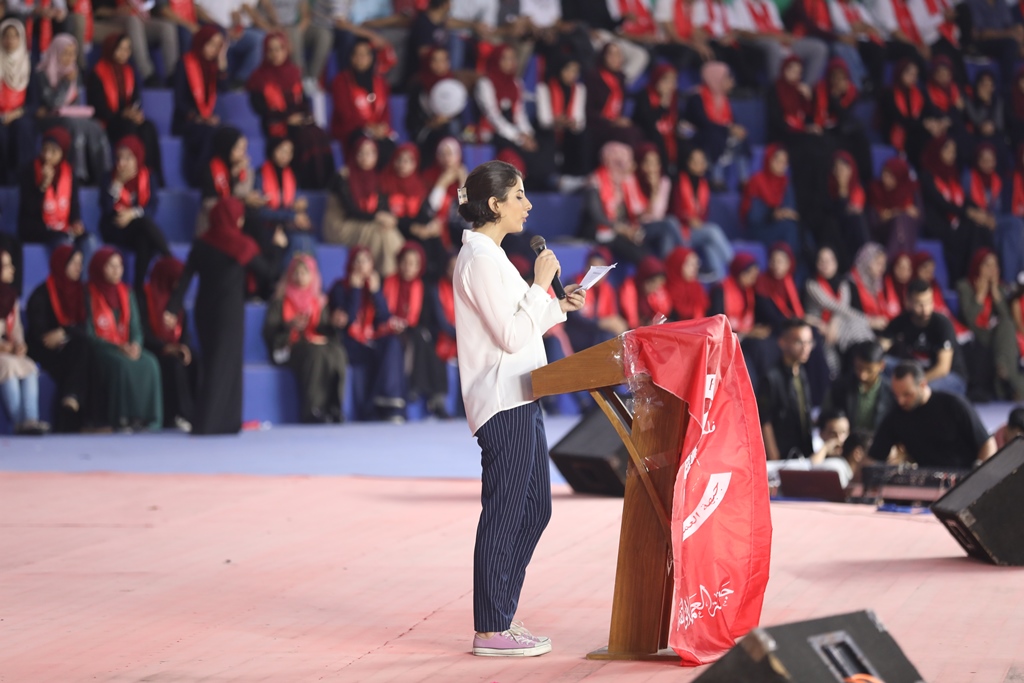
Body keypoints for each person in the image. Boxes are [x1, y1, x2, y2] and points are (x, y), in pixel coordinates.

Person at [452, 159, 585, 656]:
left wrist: (556, 306)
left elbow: (520, 324)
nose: (528, 205)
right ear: (494, 204)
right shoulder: (479, 260)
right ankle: (490, 628)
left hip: (523, 393)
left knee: (535, 508)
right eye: (519, 196)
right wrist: (540, 284)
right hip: (501, 399)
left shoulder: (493, 256)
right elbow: (509, 335)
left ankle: (501, 615)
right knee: (506, 512)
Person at [166, 197, 288, 435]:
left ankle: (216, 421)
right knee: (226, 365)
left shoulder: (202, 243)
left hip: (204, 311)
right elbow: (268, 272)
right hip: (229, 313)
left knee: (212, 363)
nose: (241, 221)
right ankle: (212, 422)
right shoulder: (241, 245)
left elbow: (185, 278)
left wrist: (173, 307)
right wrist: (278, 248)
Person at [84, 247, 163, 431]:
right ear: (99, 267)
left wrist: (135, 344)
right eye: (111, 266)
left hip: (126, 346)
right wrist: (118, 347)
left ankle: (149, 419)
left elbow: (136, 327)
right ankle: (123, 417)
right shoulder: (88, 293)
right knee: (121, 365)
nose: (117, 270)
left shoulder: (127, 293)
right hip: (102, 348)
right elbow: (89, 332)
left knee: (150, 362)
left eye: (119, 266)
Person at [264, 254, 347, 423]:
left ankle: (333, 407)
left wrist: (333, 323)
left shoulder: (319, 301)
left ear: (312, 276)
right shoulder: (280, 301)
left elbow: (323, 329)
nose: (300, 276)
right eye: (296, 272)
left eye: (305, 272)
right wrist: (290, 325)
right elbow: (270, 331)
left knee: (337, 353)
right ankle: (312, 409)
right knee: (314, 354)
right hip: (289, 346)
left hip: (315, 343)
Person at [245, 31, 334, 189]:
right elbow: (260, 109)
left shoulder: (294, 73)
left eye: (279, 49)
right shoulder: (258, 78)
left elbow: (303, 102)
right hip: (275, 122)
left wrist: (305, 116)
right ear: (265, 52)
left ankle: (325, 184)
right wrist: (286, 119)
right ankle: (307, 185)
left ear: (286, 50)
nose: (276, 54)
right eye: (271, 50)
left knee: (318, 133)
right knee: (305, 137)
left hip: (297, 121)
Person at [327, 245, 405, 422]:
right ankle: (375, 407)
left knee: (393, 344)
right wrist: (355, 290)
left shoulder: (374, 286)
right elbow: (347, 321)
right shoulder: (340, 287)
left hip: (370, 339)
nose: (362, 265)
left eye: (366, 261)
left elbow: (383, 317)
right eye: (358, 261)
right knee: (373, 355)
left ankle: (391, 403)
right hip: (348, 341)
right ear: (351, 264)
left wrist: (376, 292)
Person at [869, 360, 996, 468]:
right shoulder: (896, 416)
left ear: (922, 384)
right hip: (928, 482)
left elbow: (987, 444)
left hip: (964, 477)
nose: (900, 401)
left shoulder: (953, 404)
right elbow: (873, 458)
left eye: (907, 394)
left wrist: (978, 475)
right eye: (896, 395)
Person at [581, 142, 684, 266]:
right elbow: (597, 216)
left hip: (620, 229)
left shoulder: (620, 184)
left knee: (647, 246)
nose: (626, 167)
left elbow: (627, 214)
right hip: (599, 231)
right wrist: (622, 229)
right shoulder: (595, 181)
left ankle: (668, 267)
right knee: (640, 254)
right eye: (620, 164)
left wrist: (629, 228)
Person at [25, 245, 92, 432]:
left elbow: (85, 326)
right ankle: (74, 412)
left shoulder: (81, 292)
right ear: (61, 264)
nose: (79, 267)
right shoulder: (41, 293)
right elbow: (41, 334)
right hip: (43, 348)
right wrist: (62, 335)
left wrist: (64, 331)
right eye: (74, 263)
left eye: (81, 263)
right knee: (79, 357)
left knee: (83, 350)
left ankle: (71, 405)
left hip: (70, 346)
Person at [31, 34, 111, 184]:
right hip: (47, 118)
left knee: (96, 125)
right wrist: (66, 82)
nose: (69, 58)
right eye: (65, 53)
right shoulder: (42, 73)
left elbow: (77, 103)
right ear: (56, 52)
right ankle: (78, 175)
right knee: (72, 124)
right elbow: (53, 103)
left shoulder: (74, 72)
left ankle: (103, 176)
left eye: (73, 53)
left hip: (68, 115)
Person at [87, 34, 165, 189]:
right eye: (120, 49)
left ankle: (151, 176)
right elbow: (98, 107)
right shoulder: (98, 72)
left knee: (148, 127)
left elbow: (135, 99)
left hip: (126, 117)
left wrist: (135, 113)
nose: (124, 53)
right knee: (128, 126)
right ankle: (129, 174)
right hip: (108, 120)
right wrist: (122, 114)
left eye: (127, 49)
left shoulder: (129, 71)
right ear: (112, 49)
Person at [382, 242, 449, 418]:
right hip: (388, 329)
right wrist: (393, 323)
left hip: (414, 331)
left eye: (413, 263)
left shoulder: (425, 288)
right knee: (414, 339)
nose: (408, 267)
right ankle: (421, 392)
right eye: (405, 262)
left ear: (419, 266)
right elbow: (381, 313)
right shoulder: (387, 282)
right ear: (399, 262)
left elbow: (427, 319)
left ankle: (428, 394)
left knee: (426, 340)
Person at [474, 44, 554, 191]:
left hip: (514, 130)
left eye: (512, 58)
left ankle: (541, 184)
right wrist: (518, 137)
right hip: (494, 132)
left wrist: (528, 134)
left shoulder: (516, 83)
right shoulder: (485, 84)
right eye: (505, 59)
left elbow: (519, 114)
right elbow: (493, 116)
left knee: (544, 144)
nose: (510, 62)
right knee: (520, 152)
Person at [323, 136, 405, 277]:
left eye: (370, 153)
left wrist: (388, 218)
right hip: (341, 226)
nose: (365, 157)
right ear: (354, 154)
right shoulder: (343, 176)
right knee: (377, 232)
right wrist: (378, 217)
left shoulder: (376, 178)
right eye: (361, 153)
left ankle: (396, 272)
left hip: (365, 223)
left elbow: (382, 206)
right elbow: (351, 211)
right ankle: (389, 275)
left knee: (387, 231)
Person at [100, 136, 172, 292]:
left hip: (137, 230)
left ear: (137, 158)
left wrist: (132, 213)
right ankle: (169, 258)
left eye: (127, 158)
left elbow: (151, 207)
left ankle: (138, 289)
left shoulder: (148, 176)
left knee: (144, 240)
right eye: (119, 158)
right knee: (144, 224)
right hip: (115, 228)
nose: (121, 163)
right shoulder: (108, 178)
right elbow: (106, 209)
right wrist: (117, 185)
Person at [17, 127, 97, 265]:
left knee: (89, 241)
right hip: (37, 226)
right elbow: (28, 209)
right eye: (45, 149)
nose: (47, 156)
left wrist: (76, 222)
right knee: (63, 242)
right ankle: (64, 277)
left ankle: (84, 278)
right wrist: (42, 186)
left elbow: (74, 205)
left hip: (63, 227)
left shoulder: (69, 173)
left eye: (53, 151)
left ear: (63, 152)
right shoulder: (29, 171)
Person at [919, 135, 991, 284]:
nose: (952, 155)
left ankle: (985, 276)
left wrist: (981, 213)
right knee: (972, 227)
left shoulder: (953, 175)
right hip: (939, 225)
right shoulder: (927, 176)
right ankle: (965, 278)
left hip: (955, 223)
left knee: (982, 227)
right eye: (948, 151)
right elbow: (942, 204)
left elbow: (963, 200)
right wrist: (969, 213)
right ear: (938, 151)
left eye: (954, 151)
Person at [956, 248, 1024, 401]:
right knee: (1006, 332)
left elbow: (1008, 319)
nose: (991, 269)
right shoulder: (964, 287)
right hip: (975, 333)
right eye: (987, 265)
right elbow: (969, 320)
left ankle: (1003, 369)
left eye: (994, 265)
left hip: (996, 335)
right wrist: (980, 295)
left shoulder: (1000, 288)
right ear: (978, 266)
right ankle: (1008, 379)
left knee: (1006, 326)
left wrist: (995, 293)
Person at [882, 278, 968, 395]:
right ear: (908, 302)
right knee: (882, 363)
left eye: (929, 302)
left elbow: (943, 368)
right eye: (919, 304)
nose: (925, 309)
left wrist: (914, 383)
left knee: (922, 391)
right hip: (915, 372)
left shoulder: (942, 324)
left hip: (949, 377)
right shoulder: (900, 322)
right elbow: (880, 347)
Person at [140, 256, 196, 431]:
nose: (179, 284)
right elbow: (143, 332)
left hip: (174, 348)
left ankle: (199, 411)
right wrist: (165, 347)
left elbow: (184, 331)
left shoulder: (176, 300)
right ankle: (180, 414)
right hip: (153, 348)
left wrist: (184, 346)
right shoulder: (145, 296)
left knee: (196, 361)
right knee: (173, 364)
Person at [0, 250, 48, 435]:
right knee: (8, 365)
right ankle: (19, 421)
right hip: (3, 355)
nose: (12, 269)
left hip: (8, 352)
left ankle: (30, 419)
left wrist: (20, 344)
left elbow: (17, 329)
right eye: (6, 265)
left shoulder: (10, 297)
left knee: (29, 366)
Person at [172, 25, 226, 188]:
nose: (214, 50)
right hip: (186, 120)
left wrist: (222, 64)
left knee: (224, 134)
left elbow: (224, 88)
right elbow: (179, 100)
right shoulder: (185, 63)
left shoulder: (212, 66)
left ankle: (219, 179)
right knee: (209, 133)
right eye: (211, 44)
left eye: (218, 46)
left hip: (206, 120)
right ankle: (200, 178)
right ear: (202, 41)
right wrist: (197, 116)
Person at [686, 61, 751, 193]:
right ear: (715, 78)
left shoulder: (722, 98)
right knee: (716, 137)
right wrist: (728, 129)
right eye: (727, 78)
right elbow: (703, 122)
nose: (732, 82)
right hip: (699, 134)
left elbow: (730, 121)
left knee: (739, 137)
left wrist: (736, 129)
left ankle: (744, 180)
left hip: (719, 132)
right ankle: (716, 179)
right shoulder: (696, 96)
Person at [672, 146, 734, 281]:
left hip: (696, 231)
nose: (698, 164)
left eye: (701, 161)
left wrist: (697, 222)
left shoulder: (704, 184)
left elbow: (703, 214)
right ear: (688, 163)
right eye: (694, 161)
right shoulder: (678, 181)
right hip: (680, 232)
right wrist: (688, 219)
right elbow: (673, 211)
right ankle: (734, 264)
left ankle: (719, 281)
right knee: (713, 231)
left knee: (710, 244)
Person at [330, 38, 396, 163]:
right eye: (358, 54)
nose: (362, 58)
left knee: (389, 146)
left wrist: (382, 127)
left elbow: (385, 111)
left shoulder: (380, 82)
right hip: (350, 129)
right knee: (365, 145)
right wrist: (369, 128)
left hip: (375, 130)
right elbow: (345, 113)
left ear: (372, 58)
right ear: (351, 58)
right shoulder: (341, 81)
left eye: (365, 54)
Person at [758, 318, 815, 460]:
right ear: (782, 342)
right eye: (799, 342)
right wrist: (774, 456)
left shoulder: (802, 373)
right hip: (782, 458)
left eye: (809, 342)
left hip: (803, 453)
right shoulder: (771, 378)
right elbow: (765, 420)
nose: (805, 348)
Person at [92, 0, 180, 87]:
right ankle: (147, 74)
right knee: (133, 20)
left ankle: (173, 75)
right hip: (113, 19)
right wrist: (116, 11)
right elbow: (98, 10)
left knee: (167, 28)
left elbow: (152, 5)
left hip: (141, 18)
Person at [969, 143, 1024, 281]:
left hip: (996, 219)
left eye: (991, 160)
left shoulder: (997, 179)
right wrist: (982, 216)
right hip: (977, 219)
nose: (988, 164)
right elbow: (963, 203)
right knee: (1016, 226)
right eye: (984, 160)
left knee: (1015, 228)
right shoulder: (969, 177)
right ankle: (1011, 281)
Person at [583, 42, 643, 167]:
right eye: (611, 54)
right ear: (603, 56)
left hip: (614, 124)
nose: (616, 58)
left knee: (637, 131)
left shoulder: (620, 78)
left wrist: (618, 121)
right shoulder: (593, 77)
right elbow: (588, 110)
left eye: (618, 55)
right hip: (596, 124)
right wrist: (611, 121)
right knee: (628, 134)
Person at [533, 53, 588, 184]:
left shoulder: (579, 89)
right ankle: (549, 178)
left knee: (584, 136)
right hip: (549, 129)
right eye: (569, 70)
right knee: (547, 137)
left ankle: (576, 177)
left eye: (575, 71)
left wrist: (571, 123)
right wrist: (556, 121)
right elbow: (544, 120)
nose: (572, 74)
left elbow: (580, 119)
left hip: (568, 129)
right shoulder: (544, 88)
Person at [741, 146, 802, 261]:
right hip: (760, 228)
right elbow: (753, 216)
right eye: (778, 161)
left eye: (785, 162)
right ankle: (790, 265)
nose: (781, 165)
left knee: (799, 230)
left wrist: (784, 214)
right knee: (789, 229)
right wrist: (772, 214)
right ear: (769, 160)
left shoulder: (785, 183)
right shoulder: (757, 181)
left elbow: (791, 211)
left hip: (780, 226)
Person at [823, 340, 896, 433]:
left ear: (881, 366)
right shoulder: (840, 387)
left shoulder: (891, 392)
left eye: (869, 370)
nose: (863, 375)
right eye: (859, 368)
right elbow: (826, 415)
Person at [565, 246, 627, 352]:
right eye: (592, 268)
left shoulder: (609, 289)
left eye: (600, 269)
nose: (596, 274)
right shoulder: (574, 284)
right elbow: (576, 318)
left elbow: (612, 316)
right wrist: (601, 323)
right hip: (578, 332)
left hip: (598, 332)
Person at [0, 19, 37, 187]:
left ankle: (24, 183)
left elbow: (34, 103)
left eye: (15, 36)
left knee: (23, 129)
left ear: (21, 39)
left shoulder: (28, 64)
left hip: (19, 114)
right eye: (6, 36)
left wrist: (15, 114)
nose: (10, 40)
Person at [631, 64, 685, 177]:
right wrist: (663, 104)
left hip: (667, 133)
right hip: (646, 132)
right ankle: (664, 175)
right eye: (667, 80)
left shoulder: (674, 98)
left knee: (685, 144)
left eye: (673, 80)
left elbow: (674, 120)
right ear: (658, 80)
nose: (671, 85)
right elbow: (647, 121)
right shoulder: (645, 94)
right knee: (658, 139)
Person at [868, 157, 924, 257]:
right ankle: (898, 259)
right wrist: (901, 211)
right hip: (883, 231)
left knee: (903, 220)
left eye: (891, 176)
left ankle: (899, 259)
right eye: (884, 174)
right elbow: (876, 220)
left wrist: (893, 213)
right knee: (900, 220)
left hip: (907, 230)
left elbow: (919, 217)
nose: (885, 179)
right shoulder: (876, 190)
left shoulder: (911, 190)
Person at [826, 150, 870, 269]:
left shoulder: (858, 190)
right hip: (834, 231)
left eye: (844, 168)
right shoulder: (827, 189)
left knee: (857, 219)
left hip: (852, 232)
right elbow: (837, 213)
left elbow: (856, 212)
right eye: (837, 169)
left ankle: (864, 259)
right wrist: (842, 190)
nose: (840, 172)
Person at [665, 247, 709, 321]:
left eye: (696, 264)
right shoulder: (665, 291)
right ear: (677, 264)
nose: (695, 268)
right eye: (690, 264)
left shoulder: (696, 287)